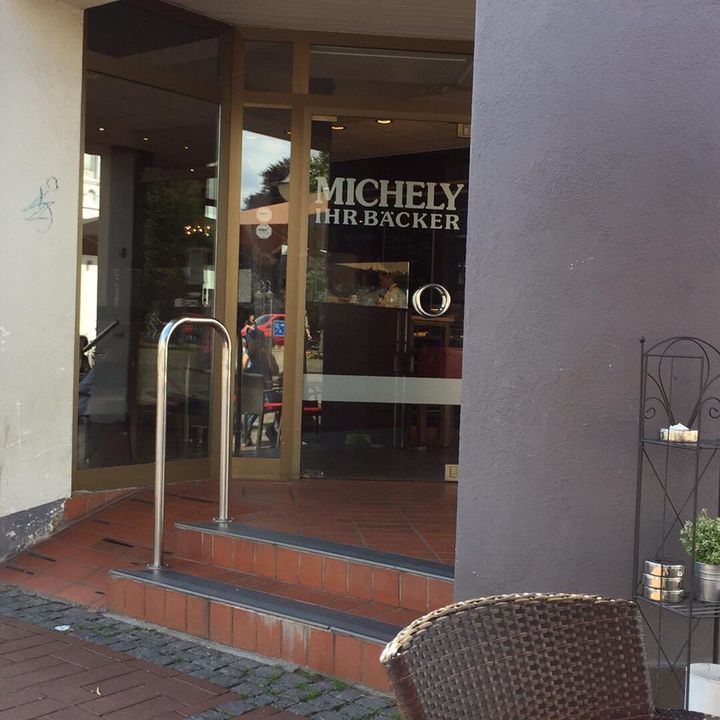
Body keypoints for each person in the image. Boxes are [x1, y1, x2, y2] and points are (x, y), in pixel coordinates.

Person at [241, 330, 279, 445]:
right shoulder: (248, 356)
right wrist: (249, 354)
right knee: (259, 403)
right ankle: (269, 430)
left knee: (282, 399)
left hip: (264, 393)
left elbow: (275, 370)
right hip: (254, 394)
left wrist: (267, 352)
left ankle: (271, 429)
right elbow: (241, 370)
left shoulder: (265, 355)